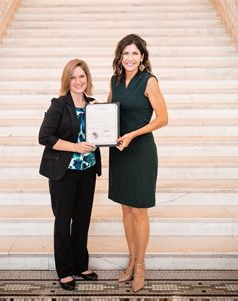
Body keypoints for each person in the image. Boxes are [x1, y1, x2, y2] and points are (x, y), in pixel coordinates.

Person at [107, 34, 168, 293]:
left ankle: (141, 265)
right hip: (120, 150)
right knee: (126, 210)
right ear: (120, 57)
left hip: (141, 150)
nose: (130, 58)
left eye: (134, 53)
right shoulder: (115, 80)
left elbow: (163, 118)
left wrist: (133, 134)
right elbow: (109, 111)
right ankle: (131, 260)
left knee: (140, 211)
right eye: (125, 53)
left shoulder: (149, 81)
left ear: (142, 56)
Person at [39, 59, 102, 291]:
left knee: (83, 220)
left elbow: (99, 135)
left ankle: (80, 265)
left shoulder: (94, 106)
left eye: (82, 76)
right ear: (67, 80)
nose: (78, 81)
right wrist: (75, 147)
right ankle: (65, 270)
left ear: (88, 79)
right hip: (64, 173)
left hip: (87, 170)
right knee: (63, 221)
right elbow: (44, 137)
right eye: (73, 77)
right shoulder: (58, 105)